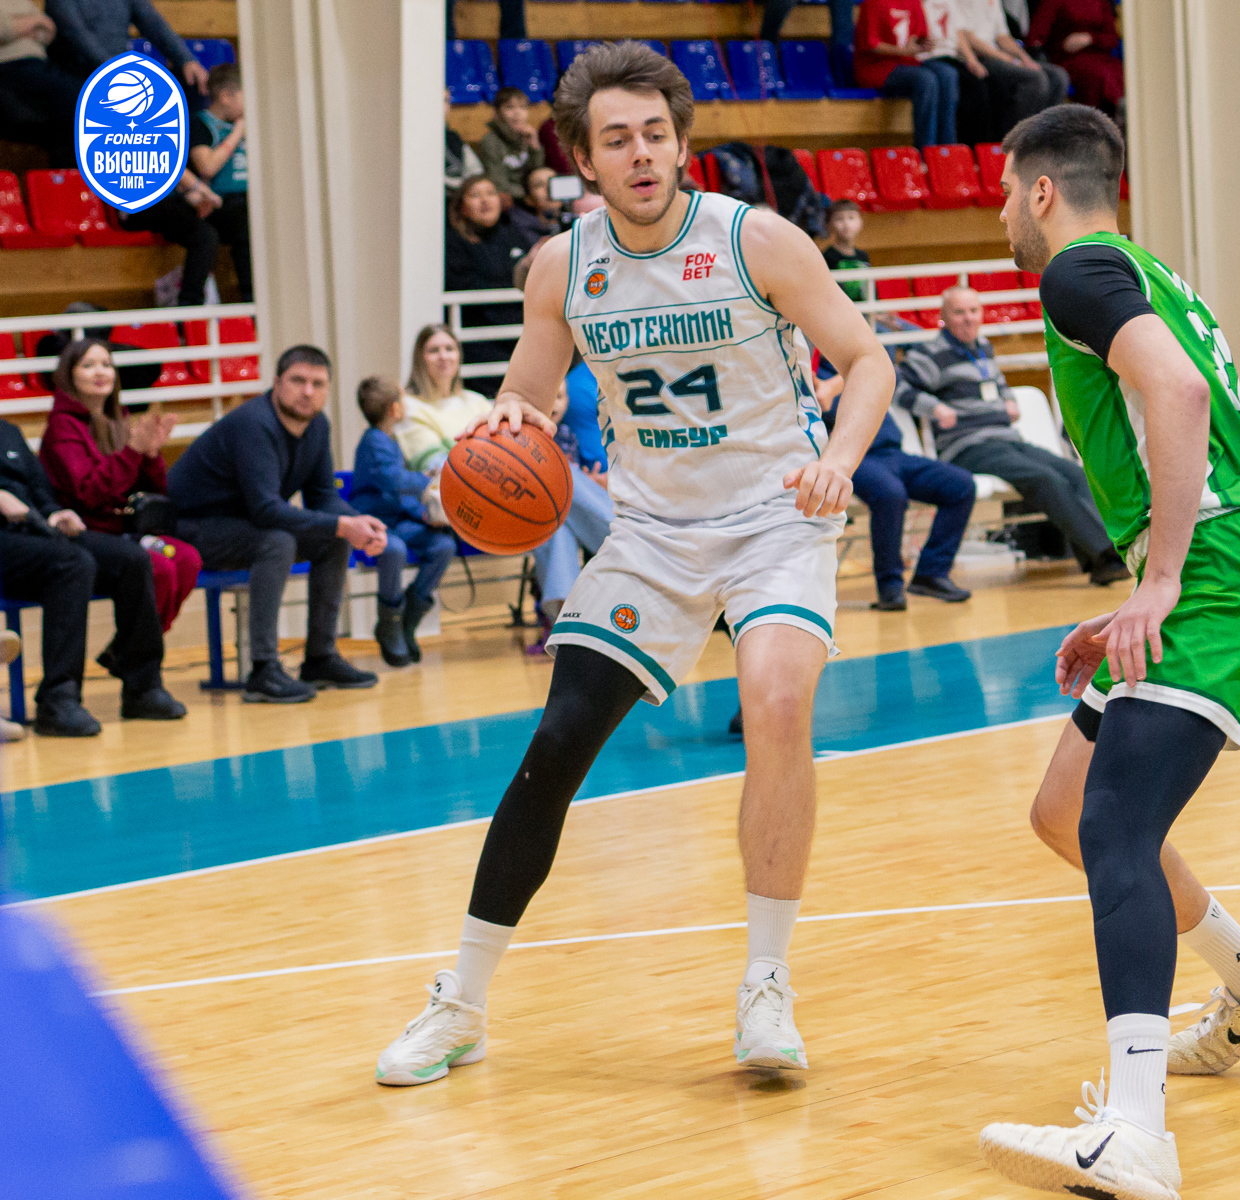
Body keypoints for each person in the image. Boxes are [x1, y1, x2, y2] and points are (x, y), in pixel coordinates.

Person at [372, 41, 895, 1086]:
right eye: (618, 139)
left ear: (681, 142)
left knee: (775, 700)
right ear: (583, 159)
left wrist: (839, 461)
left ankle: (765, 987)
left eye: (657, 133)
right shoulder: (562, 266)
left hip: (776, 515)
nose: (642, 153)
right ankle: (461, 1001)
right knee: (558, 740)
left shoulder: (756, 240)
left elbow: (867, 359)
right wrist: (497, 436)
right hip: (652, 533)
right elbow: (526, 396)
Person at [976, 105, 1240, 1200]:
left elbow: (1177, 395)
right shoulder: (1140, 269)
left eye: (1005, 192)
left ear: (1042, 190)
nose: (1000, 212)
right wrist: (1143, 582)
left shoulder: (1075, 271)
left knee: (1115, 826)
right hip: (1218, 563)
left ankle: (1135, 1129)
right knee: (1064, 810)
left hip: (1219, 578)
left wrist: (1164, 578)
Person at [169, 345, 386, 703]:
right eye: (298, 380)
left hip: (243, 524)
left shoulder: (317, 426)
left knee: (333, 538)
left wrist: (354, 521)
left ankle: (320, 658)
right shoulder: (254, 424)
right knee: (277, 541)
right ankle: (263, 669)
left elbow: (322, 496)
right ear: (276, 383)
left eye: (318, 383)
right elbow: (266, 510)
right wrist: (342, 524)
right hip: (192, 527)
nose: (307, 391)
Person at [894, 286, 1131, 585]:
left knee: (1074, 473)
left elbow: (998, 382)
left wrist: (1008, 399)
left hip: (1006, 438)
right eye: (959, 312)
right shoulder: (931, 353)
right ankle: (1105, 556)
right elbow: (897, 385)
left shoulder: (982, 347)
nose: (968, 318)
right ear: (944, 317)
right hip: (968, 445)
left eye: (973, 311)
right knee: (1044, 479)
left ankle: (1106, 550)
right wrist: (934, 407)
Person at [0, 416, 182, 735]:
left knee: (133, 559)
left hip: (34, 531)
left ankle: (143, 686)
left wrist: (54, 513)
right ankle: (59, 699)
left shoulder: (8, 432)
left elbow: (39, 488)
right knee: (73, 563)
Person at [38, 338, 200, 632]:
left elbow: (152, 492)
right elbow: (89, 494)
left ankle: (135, 648)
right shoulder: (62, 427)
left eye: (106, 364)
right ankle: (139, 651)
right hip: (85, 535)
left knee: (188, 559)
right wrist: (132, 451)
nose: (100, 372)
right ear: (68, 375)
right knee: (159, 568)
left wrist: (150, 455)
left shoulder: (119, 418)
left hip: (125, 530)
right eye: (88, 365)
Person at [821, 353, 973, 610]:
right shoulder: (810, 374)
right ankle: (890, 587)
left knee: (960, 485)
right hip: (854, 458)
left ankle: (931, 574)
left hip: (892, 453)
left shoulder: (862, 361)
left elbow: (888, 362)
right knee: (891, 494)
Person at [349, 377, 458, 669]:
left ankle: (409, 617)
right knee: (393, 550)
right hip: (376, 524)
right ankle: (389, 622)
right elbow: (393, 482)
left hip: (398, 521)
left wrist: (424, 516)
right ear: (395, 409)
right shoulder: (374, 442)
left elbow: (399, 496)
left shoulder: (390, 440)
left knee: (443, 546)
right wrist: (425, 479)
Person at [527, 373, 615, 654]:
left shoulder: (566, 434)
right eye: (548, 396)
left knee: (558, 528)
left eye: (560, 397)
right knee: (563, 476)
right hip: (525, 513)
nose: (554, 403)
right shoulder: (521, 435)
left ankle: (564, 623)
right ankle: (624, 536)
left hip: (558, 516)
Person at [444, 176, 538, 396]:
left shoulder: (512, 233)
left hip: (519, 333)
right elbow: (464, 286)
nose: (485, 200)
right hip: (479, 339)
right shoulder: (453, 242)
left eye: (491, 193)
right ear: (462, 207)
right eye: (475, 195)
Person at [950, 0, 1067, 136]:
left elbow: (1002, 36)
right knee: (1034, 79)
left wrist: (1025, 58)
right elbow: (967, 37)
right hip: (979, 57)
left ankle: (1047, 137)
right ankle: (1017, 137)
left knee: (1058, 76)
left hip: (998, 54)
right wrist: (1006, 58)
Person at [187, 62, 253, 301]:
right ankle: (251, 297)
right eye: (246, 95)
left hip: (249, 200)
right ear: (226, 96)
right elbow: (207, 167)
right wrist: (237, 134)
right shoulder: (200, 124)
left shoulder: (252, 124)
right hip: (217, 203)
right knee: (246, 222)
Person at [854, 0, 959, 149]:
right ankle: (926, 151)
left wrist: (924, 44)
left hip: (908, 63)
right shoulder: (873, 3)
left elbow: (920, 36)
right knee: (926, 80)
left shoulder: (913, 2)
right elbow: (871, 45)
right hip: (877, 67)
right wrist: (903, 51)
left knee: (948, 74)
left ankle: (947, 149)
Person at [44, 0, 208, 93]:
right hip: (75, 70)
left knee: (188, 81)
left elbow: (153, 23)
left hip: (118, 68)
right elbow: (75, 34)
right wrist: (112, 68)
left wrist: (186, 59)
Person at [397, 324, 495, 477]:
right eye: (434, 350)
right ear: (419, 358)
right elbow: (435, 464)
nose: (443, 356)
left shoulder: (478, 401)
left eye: (449, 349)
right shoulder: (408, 406)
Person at [117, 172, 223, 308]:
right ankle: (190, 308)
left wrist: (193, 196)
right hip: (137, 203)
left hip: (168, 200)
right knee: (204, 236)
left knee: (230, 225)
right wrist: (204, 191)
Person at [0, 0, 78, 167]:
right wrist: (33, 23)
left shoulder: (23, 2)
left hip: (39, 66)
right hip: (9, 66)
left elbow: (48, 31)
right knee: (71, 97)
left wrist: (16, 25)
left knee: (76, 101)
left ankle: (66, 177)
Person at [1025, 0, 1121, 117]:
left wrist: (1090, 39)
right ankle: (1091, 119)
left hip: (1100, 55)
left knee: (1118, 72)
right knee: (1095, 75)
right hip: (1067, 58)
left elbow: (1112, 38)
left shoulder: (1100, 2)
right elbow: (1036, 36)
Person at [476, 88, 547, 205]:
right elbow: (498, 184)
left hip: (529, 198)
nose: (517, 113)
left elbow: (536, 174)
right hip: (507, 201)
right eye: (510, 107)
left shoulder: (527, 136)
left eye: (523, 107)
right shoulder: (490, 142)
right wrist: (528, 196)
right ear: (497, 113)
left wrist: (535, 147)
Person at [444, 90, 482, 194]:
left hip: (459, 194)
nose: (443, 106)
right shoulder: (415, 139)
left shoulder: (453, 137)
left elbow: (475, 170)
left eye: (446, 100)